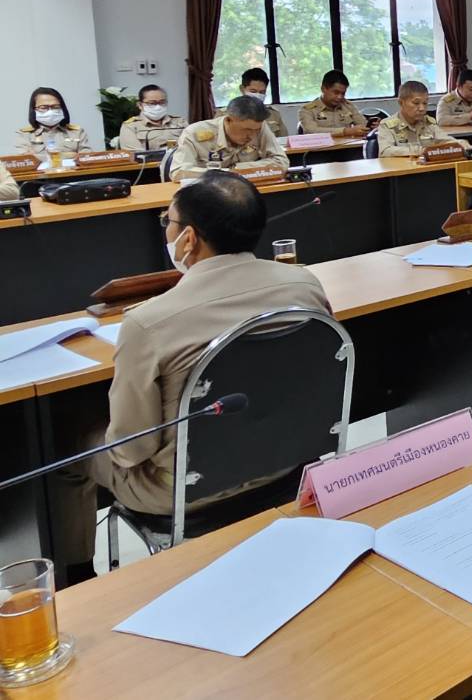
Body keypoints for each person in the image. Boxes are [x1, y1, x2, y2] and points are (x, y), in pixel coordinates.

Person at [55, 172, 331, 582]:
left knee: (64, 444)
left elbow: (133, 450)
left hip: (182, 491)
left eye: (168, 221)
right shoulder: (305, 285)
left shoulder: (149, 322)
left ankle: (74, 579)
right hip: (290, 464)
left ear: (189, 239)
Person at [171, 95, 289, 179]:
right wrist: (225, 174)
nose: (252, 136)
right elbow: (178, 172)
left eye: (256, 131)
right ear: (228, 120)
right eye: (246, 130)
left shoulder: (259, 126)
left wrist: (239, 170)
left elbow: (281, 161)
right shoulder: (195, 132)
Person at [376, 80, 463, 158]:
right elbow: (385, 151)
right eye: (416, 103)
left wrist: (462, 145)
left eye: (425, 103)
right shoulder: (387, 125)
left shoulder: (428, 123)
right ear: (401, 102)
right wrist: (419, 151)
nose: (422, 108)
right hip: (401, 172)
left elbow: (446, 140)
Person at [15, 86, 90, 159]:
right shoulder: (24, 135)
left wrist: (38, 157)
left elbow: (86, 157)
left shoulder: (77, 132)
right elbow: (26, 160)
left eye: (55, 107)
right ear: (34, 110)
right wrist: (72, 155)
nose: (50, 111)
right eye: (43, 107)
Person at [217, 68, 289, 139]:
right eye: (253, 91)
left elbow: (284, 141)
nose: (257, 95)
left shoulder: (273, 114)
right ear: (242, 89)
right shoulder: (224, 114)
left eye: (262, 92)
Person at [297, 70, 368, 137]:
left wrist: (370, 126)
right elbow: (311, 131)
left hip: (348, 148)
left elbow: (363, 124)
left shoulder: (348, 106)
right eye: (336, 92)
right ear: (323, 89)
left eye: (343, 93)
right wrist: (345, 131)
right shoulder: (307, 110)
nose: (340, 97)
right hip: (321, 149)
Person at [118, 85, 187, 152]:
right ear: (140, 105)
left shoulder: (180, 122)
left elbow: (193, 146)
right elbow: (135, 155)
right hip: (151, 163)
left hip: (181, 162)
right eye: (152, 103)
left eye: (162, 102)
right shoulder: (130, 126)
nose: (158, 106)